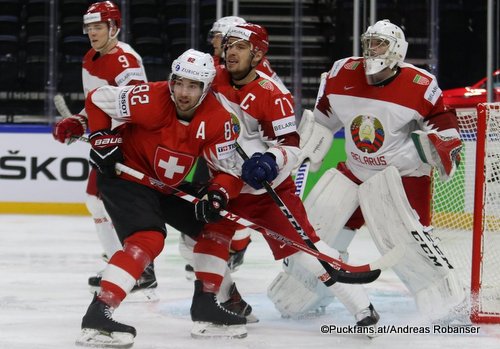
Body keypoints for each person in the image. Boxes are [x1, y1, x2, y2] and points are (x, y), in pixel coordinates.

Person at [188, 22, 380, 339]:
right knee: (207, 245)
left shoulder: (272, 94)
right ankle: (228, 305)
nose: (230, 51)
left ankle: (362, 308)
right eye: (228, 45)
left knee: (305, 252)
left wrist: (269, 160)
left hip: (267, 191)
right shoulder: (212, 80)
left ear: (258, 53)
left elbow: (290, 144)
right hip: (224, 186)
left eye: (240, 46)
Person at [269, 19, 466, 324]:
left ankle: (446, 302)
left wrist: (445, 144)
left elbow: (442, 122)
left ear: (397, 50)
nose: (372, 50)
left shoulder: (420, 84)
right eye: (369, 42)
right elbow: (324, 118)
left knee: (408, 243)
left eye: (380, 43)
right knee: (318, 231)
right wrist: (307, 143)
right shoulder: (342, 73)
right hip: (355, 169)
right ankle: (306, 292)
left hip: (402, 176)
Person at [75, 49, 248, 348]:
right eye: (178, 82)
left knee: (218, 225)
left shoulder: (220, 121)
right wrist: (102, 136)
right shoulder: (150, 98)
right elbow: (97, 99)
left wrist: (218, 192)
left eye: (192, 86)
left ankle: (206, 305)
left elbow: (229, 172)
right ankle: (98, 314)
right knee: (148, 238)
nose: (182, 92)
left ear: (206, 88)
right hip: (126, 175)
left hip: (166, 186)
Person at [51, 1, 157, 300]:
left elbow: (136, 105)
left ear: (114, 27)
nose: (93, 33)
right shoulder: (90, 58)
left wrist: (114, 137)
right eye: (89, 27)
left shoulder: (125, 60)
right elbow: (96, 102)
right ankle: (129, 266)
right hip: (106, 141)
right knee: (98, 202)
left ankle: (138, 269)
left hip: (127, 142)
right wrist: (79, 120)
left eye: (99, 27)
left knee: (106, 203)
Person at [182, 16, 288, 277]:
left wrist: (273, 154)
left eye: (221, 37)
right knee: (208, 215)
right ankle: (221, 257)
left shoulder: (260, 75)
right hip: (214, 152)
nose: (216, 43)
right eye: (219, 39)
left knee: (232, 212)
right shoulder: (217, 69)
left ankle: (235, 249)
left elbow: (276, 115)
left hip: (243, 158)